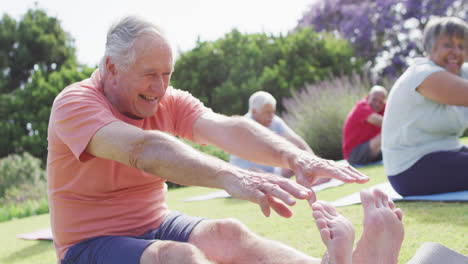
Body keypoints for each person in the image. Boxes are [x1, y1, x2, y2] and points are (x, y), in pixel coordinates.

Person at [47, 15, 369, 264]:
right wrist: (230, 176)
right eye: (149, 74)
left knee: (228, 233)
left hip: (156, 223)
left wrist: (293, 156)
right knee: (177, 258)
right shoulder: (75, 104)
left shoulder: (165, 100)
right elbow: (142, 150)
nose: (160, 88)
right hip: (86, 246)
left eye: (167, 74)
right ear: (111, 68)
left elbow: (227, 128)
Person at [382, 16, 468, 196]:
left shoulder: (460, 72)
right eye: (448, 45)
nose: (456, 52)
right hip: (412, 168)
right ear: (430, 47)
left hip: (448, 151)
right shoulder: (423, 74)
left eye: (461, 46)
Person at [229, 91, 314, 178]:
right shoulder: (244, 125)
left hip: (272, 173)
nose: (271, 116)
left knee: (298, 161)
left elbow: (296, 140)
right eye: (268, 112)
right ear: (254, 112)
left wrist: (314, 161)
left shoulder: (274, 121)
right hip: (247, 175)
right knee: (254, 172)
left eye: (273, 112)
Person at [342, 85, 387, 165]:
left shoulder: (383, 107)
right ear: (368, 97)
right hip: (354, 155)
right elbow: (383, 122)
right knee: (387, 131)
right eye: (374, 100)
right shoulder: (361, 107)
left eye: (380, 102)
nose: (377, 104)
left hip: (372, 151)